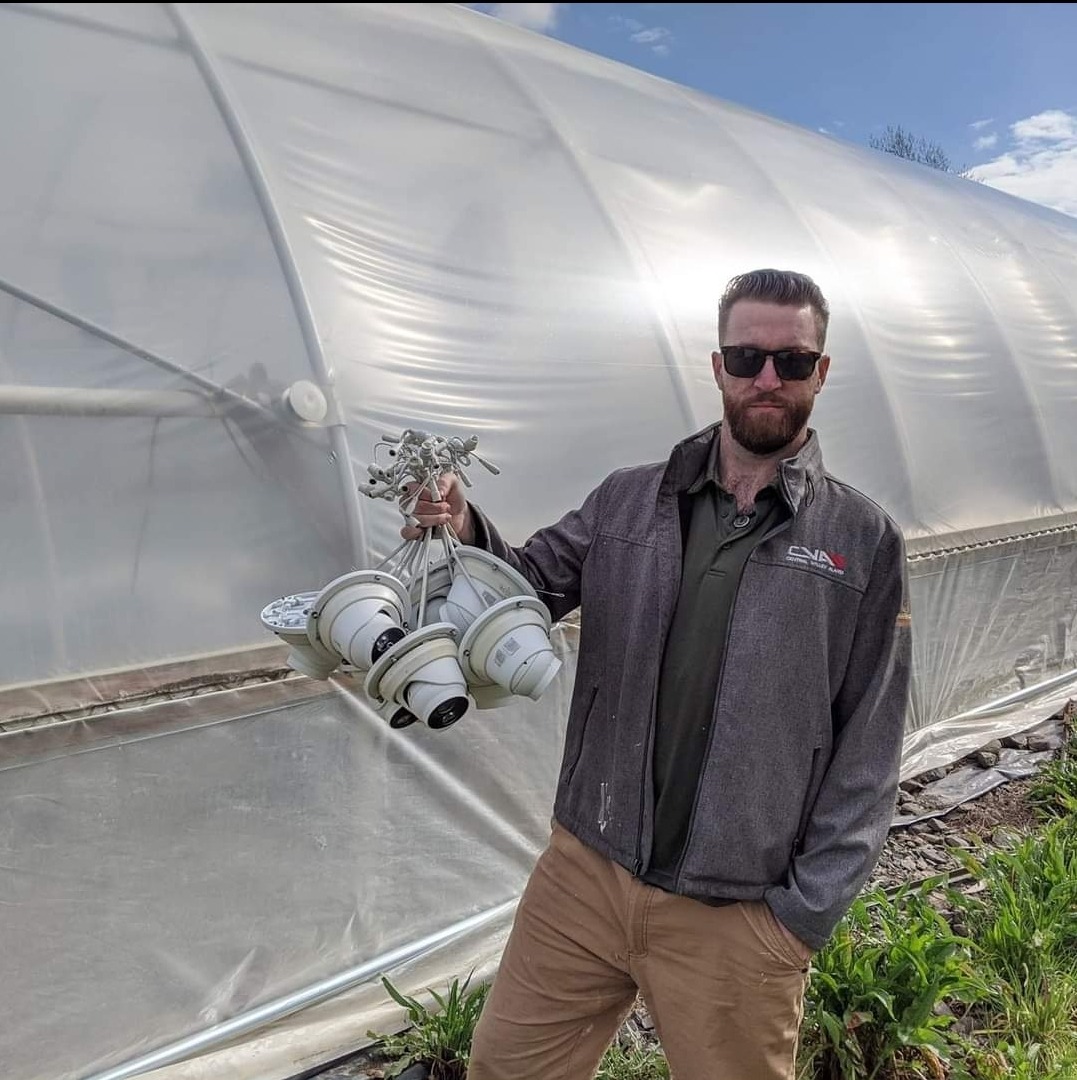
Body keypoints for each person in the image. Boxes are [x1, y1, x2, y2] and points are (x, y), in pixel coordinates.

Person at [403, 269, 911, 1080]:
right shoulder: (628, 501)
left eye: (790, 360)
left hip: (736, 909)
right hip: (585, 875)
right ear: (717, 367)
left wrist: (800, 916)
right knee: (504, 1068)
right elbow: (524, 589)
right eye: (745, 357)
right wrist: (462, 527)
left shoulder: (860, 539)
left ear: (820, 372)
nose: (766, 378)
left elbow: (871, 738)